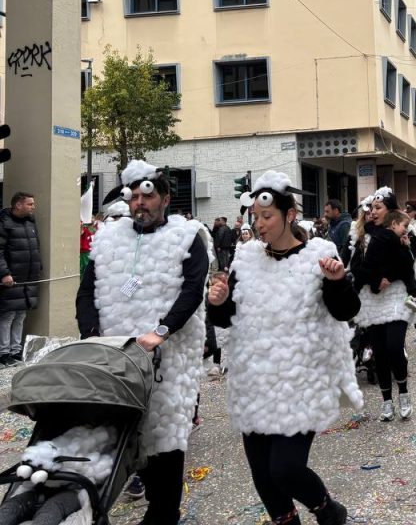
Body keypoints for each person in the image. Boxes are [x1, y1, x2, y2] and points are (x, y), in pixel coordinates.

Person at [207, 170, 358, 525]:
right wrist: (219, 300)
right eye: (256, 217)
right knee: (264, 478)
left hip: (299, 383)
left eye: (267, 216)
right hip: (254, 382)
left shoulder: (319, 254)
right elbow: (227, 319)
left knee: (285, 469)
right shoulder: (245, 258)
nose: (259, 224)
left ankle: (327, 509)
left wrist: (337, 281)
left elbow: (346, 311)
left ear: (289, 215)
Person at [76, 162, 209, 525]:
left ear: (165, 198)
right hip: (113, 360)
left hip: (165, 363)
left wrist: (162, 331)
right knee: (119, 440)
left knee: (163, 442)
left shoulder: (188, 237)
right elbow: (87, 292)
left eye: (147, 195)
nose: (140, 203)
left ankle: (164, 512)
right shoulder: (108, 238)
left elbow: (193, 290)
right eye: (134, 196)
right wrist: (91, 336)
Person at [351, 187, 416, 421]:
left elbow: (408, 266)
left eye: (378, 208)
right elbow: (356, 269)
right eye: (372, 208)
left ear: (390, 211)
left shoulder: (401, 232)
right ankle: (387, 400)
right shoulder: (362, 236)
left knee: (394, 346)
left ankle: (404, 393)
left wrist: (390, 276)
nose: (373, 211)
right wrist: (375, 280)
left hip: (397, 296)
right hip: (373, 298)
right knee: (379, 352)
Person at [0, 192, 42, 366]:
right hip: (11, 278)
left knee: (21, 315)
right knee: (7, 315)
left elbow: (35, 246)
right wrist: (3, 273)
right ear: (18, 205)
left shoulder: (30, 222)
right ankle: (3, 353)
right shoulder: (4, 223)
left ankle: (16, 351)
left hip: (27, 279)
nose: (34, 207)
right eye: (30, 204)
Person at [356, 210, 416, 311]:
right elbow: (407, 263)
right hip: (381, 279)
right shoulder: (393, 238)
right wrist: (406, 247)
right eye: (405, 226)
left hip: (372, 278)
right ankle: (413, 295)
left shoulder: (378, 234)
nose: (406, 230)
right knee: (408, 272)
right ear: (394, 224)